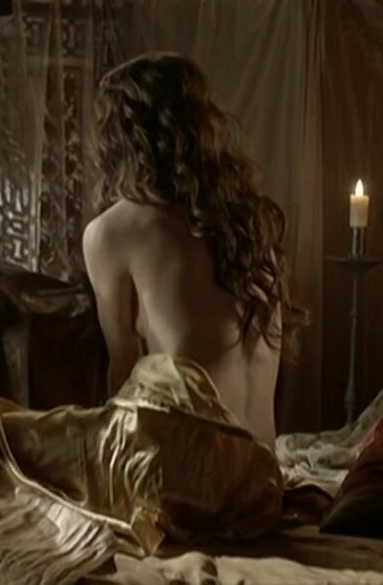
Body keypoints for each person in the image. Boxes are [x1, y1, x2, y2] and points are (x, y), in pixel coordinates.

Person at [81, 53, 299, 445]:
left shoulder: (112, 232)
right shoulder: (247, 226)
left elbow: (122, 381)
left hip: (192, 475)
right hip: (265, 472)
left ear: (120, 139)